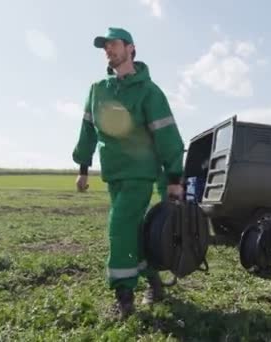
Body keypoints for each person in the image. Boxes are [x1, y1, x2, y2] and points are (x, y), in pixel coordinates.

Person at [72, 27, 186, 319]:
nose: (108, 50)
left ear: (131, 48)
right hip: (114, 174)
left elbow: (168, 136)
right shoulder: (98, 90)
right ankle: (155, 283)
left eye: (113, 44)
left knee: (119, 226)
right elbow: (87, 130)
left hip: (140, 174)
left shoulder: (149, 92)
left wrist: (174, 180)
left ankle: (124, 298)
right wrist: (83, 169)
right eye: (105, 46)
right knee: (133, 233)